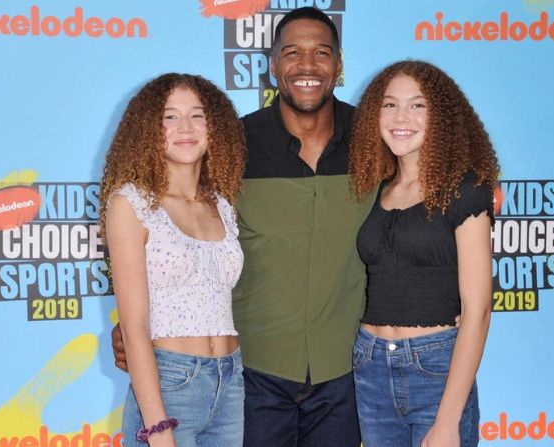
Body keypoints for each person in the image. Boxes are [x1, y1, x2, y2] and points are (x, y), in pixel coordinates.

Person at [112, 7, 372, 446]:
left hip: (342, 376)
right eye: (291, 52)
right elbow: (172, 242)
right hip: (252, 378)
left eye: (321, 53)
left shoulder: (374, 141)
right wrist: (138, 333)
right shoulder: (234, 146)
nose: (306, 66)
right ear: (272, 66)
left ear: (339, 64)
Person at [347, 60, 499, 447]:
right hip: (370, 364)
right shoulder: (375, 190)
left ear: (442, 118)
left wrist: (448, 421)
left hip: (436, 367)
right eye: (389, 105)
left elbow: (478, 311)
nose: (402, 117)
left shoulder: (464, 189)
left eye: (418, 106)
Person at [100, 73, 246, 446]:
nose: (185, 127)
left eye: (197, 115)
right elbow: (134, 328)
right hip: (169, 380)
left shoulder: (222, 204)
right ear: (149, 129)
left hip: (230, 381)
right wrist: (158, 430)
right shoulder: (131, 204)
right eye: (170, 116)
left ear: (214, 127)